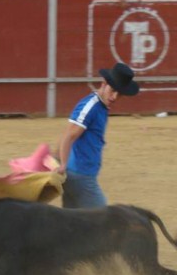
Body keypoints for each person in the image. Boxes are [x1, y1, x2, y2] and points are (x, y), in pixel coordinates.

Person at [55, 63, 140, 208]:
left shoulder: (100, 106)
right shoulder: (91, 107)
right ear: (104, 83)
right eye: (113, 91)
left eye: (119, 94)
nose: (114, 97)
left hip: (79, 173)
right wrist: (62, 163)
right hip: (80, 176)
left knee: (72, 223)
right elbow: (69, 135)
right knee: (104, 220)